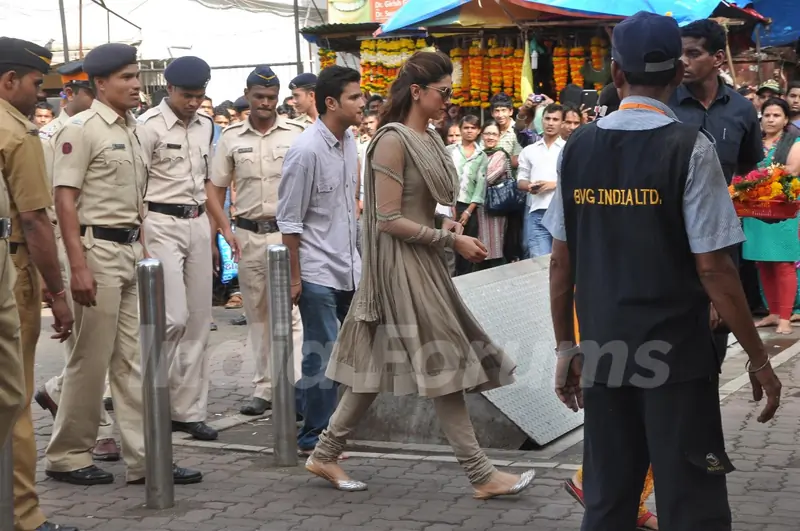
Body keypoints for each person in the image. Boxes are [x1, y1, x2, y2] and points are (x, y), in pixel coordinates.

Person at [544, 12, 782, 531]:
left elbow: (562, 261)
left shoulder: (577, 149)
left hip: (605, 349)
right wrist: (759, 358)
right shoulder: (689, 148)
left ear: (615, 72)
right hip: (677, 356)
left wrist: (566, 347)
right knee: (693, 489)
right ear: (677, 74)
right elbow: (715, 270)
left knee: (608, 493)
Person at [301, 52, 533, 500]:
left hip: (421, 260)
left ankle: (324, 453)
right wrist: (451, 240)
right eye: (443, 92)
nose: (449, 100)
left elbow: (417, 210)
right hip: (400, 266)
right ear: (416, 92)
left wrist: (445, 228)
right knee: (444, 363)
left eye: (450, 91)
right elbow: (387, 219)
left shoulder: (423, 136)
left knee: (374, 367)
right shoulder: (392, 140)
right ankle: (480, 472)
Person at [45, 42, 202, 486]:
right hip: (95, 253)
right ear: (100, 83)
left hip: (130, 252)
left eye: (137, 76)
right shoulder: (81, 129)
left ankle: (144, 458)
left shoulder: (132, 127)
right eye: (127, 78)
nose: (137, 85)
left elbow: (134, 203)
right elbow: (65, 201)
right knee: (89, 361)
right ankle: (68, 456)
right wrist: (76, 268)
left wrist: (145, 247)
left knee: (135, 361)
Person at [0, 36, 78, 531]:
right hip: (13, 274)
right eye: (34, 83)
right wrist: (58, 293)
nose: (40, 96)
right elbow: (34, 221)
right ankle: (24, 513)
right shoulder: (17, 132)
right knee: (16, 397)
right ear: (9, 81)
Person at [34, 59, 121, 462]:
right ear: (72, 93)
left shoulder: (110, 130)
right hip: (68, 245)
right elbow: (50, 205)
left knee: (102, 348)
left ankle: (57, 391)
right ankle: (97, 433)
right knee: (83, 350)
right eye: (88, 93)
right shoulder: (50, 135)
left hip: (101, 245)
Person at [208, 65, 305, 416]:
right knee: (258, 313)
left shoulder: (296, 133)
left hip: (287, 235)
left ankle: (294, 389)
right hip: (248, 236)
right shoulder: (232, 138)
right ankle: (264, 387)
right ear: (248, 96)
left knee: (292, 313)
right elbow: (214, 189)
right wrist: (224, 229)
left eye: (271, 97)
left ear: (278, 99)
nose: (265, 103)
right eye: (259, 97)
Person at [278, 65, 363, 456]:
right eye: (354, 97)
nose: (362, 103)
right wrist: (296, 278)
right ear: (331, 103)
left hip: (348, 265)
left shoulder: (350, 143)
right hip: (315, 269)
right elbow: (290, 220)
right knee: (322, 351)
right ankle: (313, 436)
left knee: (349, 349)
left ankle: (299, 406)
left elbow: (350, 207)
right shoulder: (305, 150)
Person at [670, 18, 764, 357]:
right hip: (672, 235)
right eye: (679, 54)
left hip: (724, 236)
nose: (684, 62)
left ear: (718, 59)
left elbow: (749, 169)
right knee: (678, 331)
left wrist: (757, 202)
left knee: (718, 330)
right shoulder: (666, 104)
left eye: (693, 54)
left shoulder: (741, 109)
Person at [136, 56, 217, 440]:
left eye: (199, 96)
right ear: (168, 89)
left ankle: (186, 411)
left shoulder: (207, 126)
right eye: (187, 95)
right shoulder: (147, 127)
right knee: (172, 318)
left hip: (197, 221)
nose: (193, 103)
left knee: (199, 320)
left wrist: (213, 233)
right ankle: (135, 398)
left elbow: (208, 182)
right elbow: (134, 186)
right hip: (159, 223)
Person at [744, 98, 800, 335]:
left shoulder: (793, 143)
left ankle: (786, 317)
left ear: (786, 120)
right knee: (762, 262)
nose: (770, 119)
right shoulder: (753, 143)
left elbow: (792, 171)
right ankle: (773, 312)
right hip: (754, 210)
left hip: (783, 210)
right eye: (767, 115)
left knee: (783, 263)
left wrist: (758, 179)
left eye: (776, 115)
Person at [517, 103, 565, 258]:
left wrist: (553, 185)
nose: (550, 123)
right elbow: (521, 180)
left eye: (555, 119)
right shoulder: (529, 150)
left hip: (562, 213)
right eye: (547, 118)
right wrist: (530, 186)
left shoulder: (568, 148)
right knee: (539, 263)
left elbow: (578, 181)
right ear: (541, 120)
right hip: (537, 212)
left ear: (562, 123)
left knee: (562, 262)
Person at [449, 114, 487, 276]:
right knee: (449, 246)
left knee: (467, 247)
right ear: (461, 129)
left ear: (478, 131)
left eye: (473, 128)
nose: (469, 131)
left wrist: (468, 211)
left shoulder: (481, 155)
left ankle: (463, 283)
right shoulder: (449, 151)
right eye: (466, 128)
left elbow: (480, 186)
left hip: (468, 207)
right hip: (448, 204)